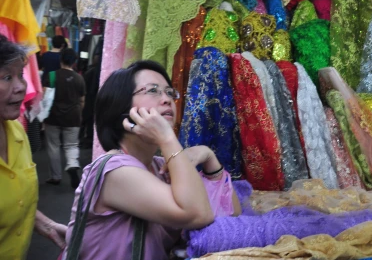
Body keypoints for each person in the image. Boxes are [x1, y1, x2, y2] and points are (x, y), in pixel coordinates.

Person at [62, 60, 240, 259]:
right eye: (153, 90)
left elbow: (231, 214)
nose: (167, 99)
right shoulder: (115, 171)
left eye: (169, 92)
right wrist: (167, 138)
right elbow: (198, 213)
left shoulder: (159, 166)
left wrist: (209, 158)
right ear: (120, 104)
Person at [0, 35, 69, 259]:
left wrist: (47, 226)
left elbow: (13, 201)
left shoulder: (17, 132)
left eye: (21, 75)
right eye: (7, 77)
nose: (21, 87)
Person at [44, 48, 86, 188]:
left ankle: (55, 177)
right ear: (74, 62)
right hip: (73, 117)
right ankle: (72, 164)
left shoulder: (51, 76)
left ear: (60, 59)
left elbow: (45, 97)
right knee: (71, 145)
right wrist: (79, 113)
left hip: (53, 116)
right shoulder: (79, 78)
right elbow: (82, 100)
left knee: (53, 146)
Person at [79, 44, 102, 149]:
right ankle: (89, 139)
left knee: (86, 120)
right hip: (94, 100)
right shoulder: (100, 72)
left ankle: (83, 139)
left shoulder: (89, 72)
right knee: (92, 120)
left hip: (88, 99)